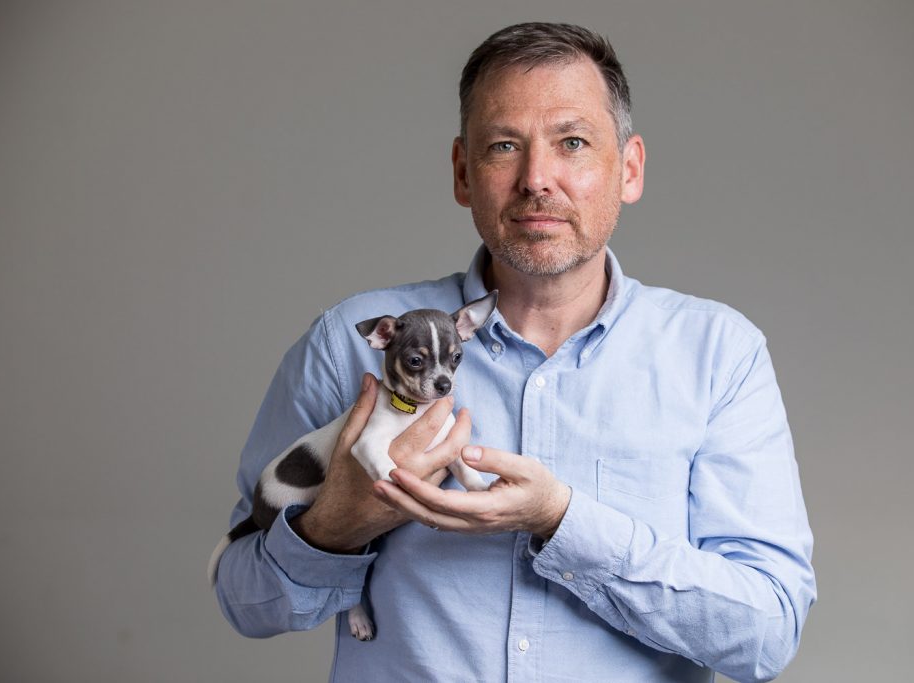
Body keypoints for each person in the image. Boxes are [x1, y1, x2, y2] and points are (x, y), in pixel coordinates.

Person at [213, 22, 816, 683]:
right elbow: (241, 595)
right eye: (505, 146)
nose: (537, 179)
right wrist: (337, 524)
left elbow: (767, 632)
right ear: (463, 173)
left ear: (630, 169)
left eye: (573, 143)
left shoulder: (718, 355)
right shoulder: (347, 338)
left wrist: (561, 520)